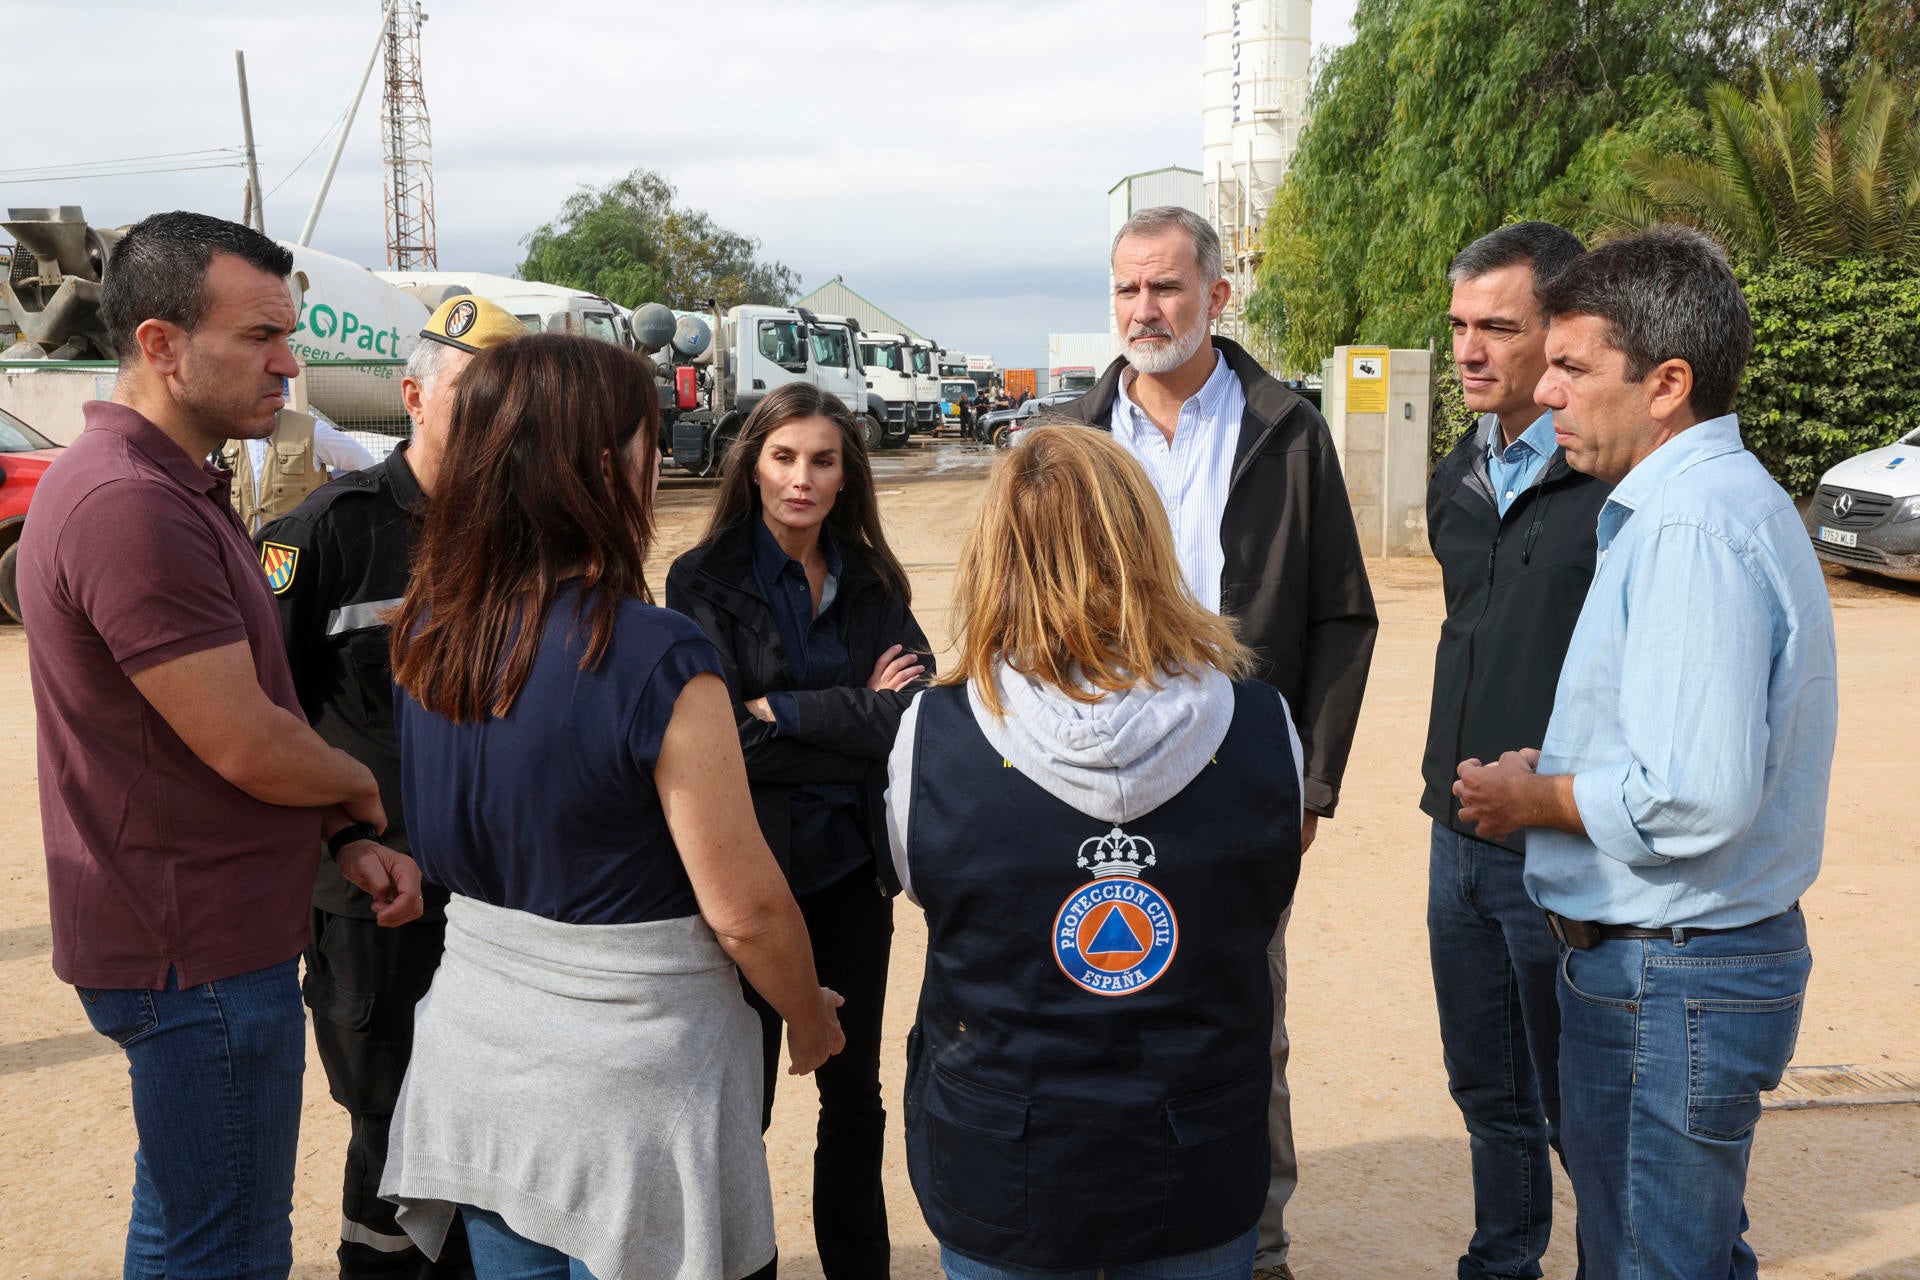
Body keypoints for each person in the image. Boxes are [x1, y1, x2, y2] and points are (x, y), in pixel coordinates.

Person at [378, 333, 845, 1280]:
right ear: (603, 466)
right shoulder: (651, 655)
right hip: (625, 1098)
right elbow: (747, 908)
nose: (661, 460)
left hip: (480, 1071)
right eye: (649, 440)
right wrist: (809, 1015)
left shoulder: (428, 627)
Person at [16, 209, 424, 1279]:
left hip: (204, 932)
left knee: (190, 1223)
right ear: (159, 344)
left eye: (286, 335)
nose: (288, 363)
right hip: (191, 952)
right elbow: (247, 740)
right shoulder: (126, 504)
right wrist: (368, 793)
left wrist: (337, 835)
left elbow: (244, 718)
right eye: (258, 337)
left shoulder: (173, 486)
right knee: (229, 1246)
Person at [1453, 226, 1838, 1280]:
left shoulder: (1688, 527)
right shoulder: (1701, 505)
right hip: (1679, 971)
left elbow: (1694, 794)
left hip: (1671, 974)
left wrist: (1538, 796)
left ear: (1667, 383)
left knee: (1650, 1263)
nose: (1551, 388)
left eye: (1574, 366)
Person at [886, 424, 1304, 1279]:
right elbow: (1264, 891)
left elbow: (923, 881)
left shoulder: (933, 735)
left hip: (1006, 1159)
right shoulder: (1266, 726)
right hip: (1199, 1153)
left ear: (995, 554)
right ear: (1148, 542)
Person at [1052, 203, 1377, 1280]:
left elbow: (1339, 613)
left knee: (1243, 1016)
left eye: (1167, 288)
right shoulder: (1071, 441)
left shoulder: (1287, 431)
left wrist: (1311, 780)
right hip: (1087, 778)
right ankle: (1101, 1228)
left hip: (1239, 785)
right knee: (1090, 1002)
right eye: (1127, 290)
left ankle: (1258, 1240)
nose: (1145, 310)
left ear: (1216, 295)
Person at [256, 293, 527, 1279]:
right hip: (379, 904)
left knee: (505, 1140)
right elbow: (263, 718)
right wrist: (338, 839)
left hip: (508, 902)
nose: (498, 418)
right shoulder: (324, 536)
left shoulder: (531, 539)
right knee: (394, 1144)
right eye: (472, 395)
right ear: (413, 394)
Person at [667, 381, 930, 1280]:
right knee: (740, 1104)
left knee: (855, 1098)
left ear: (847, 475)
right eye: (784, 457)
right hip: (752, 880)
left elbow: (915, 720)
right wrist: (858, 714)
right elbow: (727, 746)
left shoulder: (874, 581)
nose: (802, 479)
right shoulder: (701, 581)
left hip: (854, 876)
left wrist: (790, 711)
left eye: (823, 461)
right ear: (752, 465)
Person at [1421, 221, 1604, 1280]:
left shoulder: (1611, 481)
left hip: (1561, 839)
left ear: (1562, 332)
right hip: (1458, 834)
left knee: (1587, 1098)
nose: (1472, 351)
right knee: (1487, 1087)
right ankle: (1502, 1260)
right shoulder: (1460, 474)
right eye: (1459, 327)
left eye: (1500, 325)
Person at [220, 394, 377, 533]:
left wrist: (330, 489)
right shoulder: (222, 434)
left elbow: (365, 465)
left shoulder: (311, 431)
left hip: (295, 552)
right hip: (240, 552)